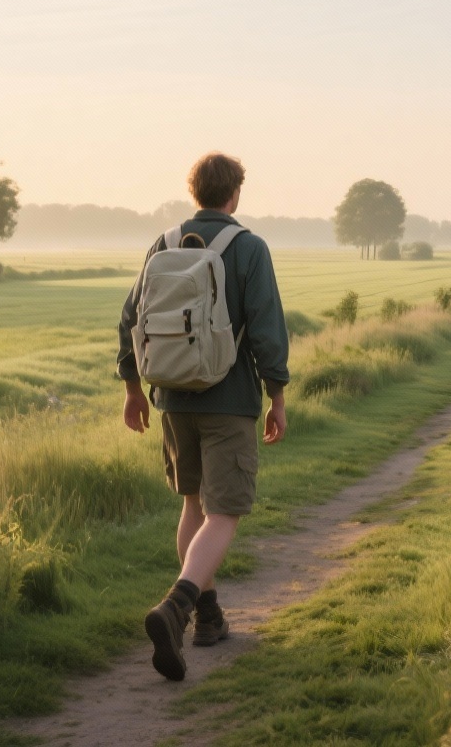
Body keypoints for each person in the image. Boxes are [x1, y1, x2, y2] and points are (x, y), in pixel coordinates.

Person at [117, 151, 290, 682]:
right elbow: (264, 325)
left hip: (171, 396)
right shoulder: (249, 248)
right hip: (229, 399)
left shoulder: (162, 244)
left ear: (194, 191)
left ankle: (208, 619)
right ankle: (177, 607)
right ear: (234, 193)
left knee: (192, 502)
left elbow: (130, 319)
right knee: (226, 511)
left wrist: (133, 388)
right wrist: (276, 394)